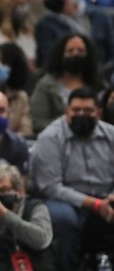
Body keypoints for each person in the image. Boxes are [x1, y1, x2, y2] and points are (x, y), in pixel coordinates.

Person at [30, 87, 114, 271]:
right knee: (63, 219)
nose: (81, 114)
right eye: (76, 110)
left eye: (88, 111)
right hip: (65, 201)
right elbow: (51, 187)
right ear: (67, 111)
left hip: (106, 197)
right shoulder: (50, 137)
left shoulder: (111, 135)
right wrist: (95, 204)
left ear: (99, 113)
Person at [0, 161, 54, 271]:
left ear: (20, 191)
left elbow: (41, 240)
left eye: (3, 190)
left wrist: (4, 213)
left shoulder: (35, 208)